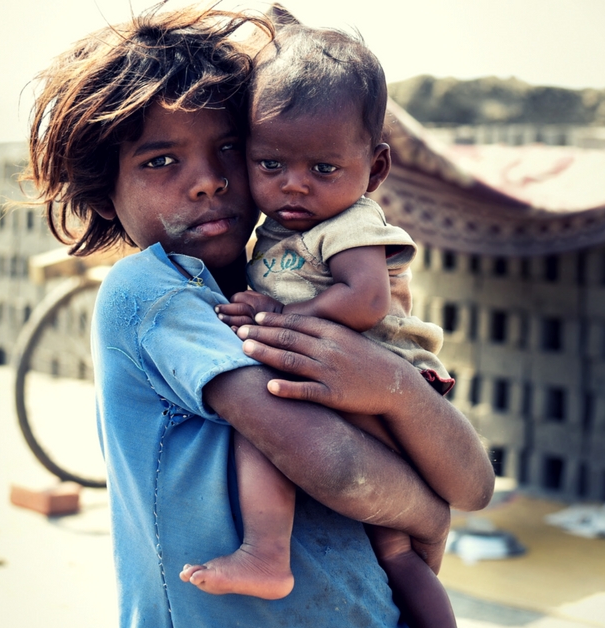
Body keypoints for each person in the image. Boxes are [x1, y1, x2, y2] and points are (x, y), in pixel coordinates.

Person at [24, 5, 494, 627]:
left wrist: (398, 389)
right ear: (102, 189)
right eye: (161, 161)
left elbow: (475, 487)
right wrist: (427, 514)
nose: (207, 181)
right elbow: (331, 462)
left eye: (229, 149)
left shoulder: (292, 288)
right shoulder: (152, 295)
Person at [189, 16, 459, 628]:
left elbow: (365, 301)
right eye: (271, 164)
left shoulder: (351, 224)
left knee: (258, 422)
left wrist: (283, 316)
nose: (294, 185)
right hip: (349, 385)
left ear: (376, 169)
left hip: (383, 383)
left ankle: (265, 551)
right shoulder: (282, 230)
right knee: (395, 550)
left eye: (324, 170)